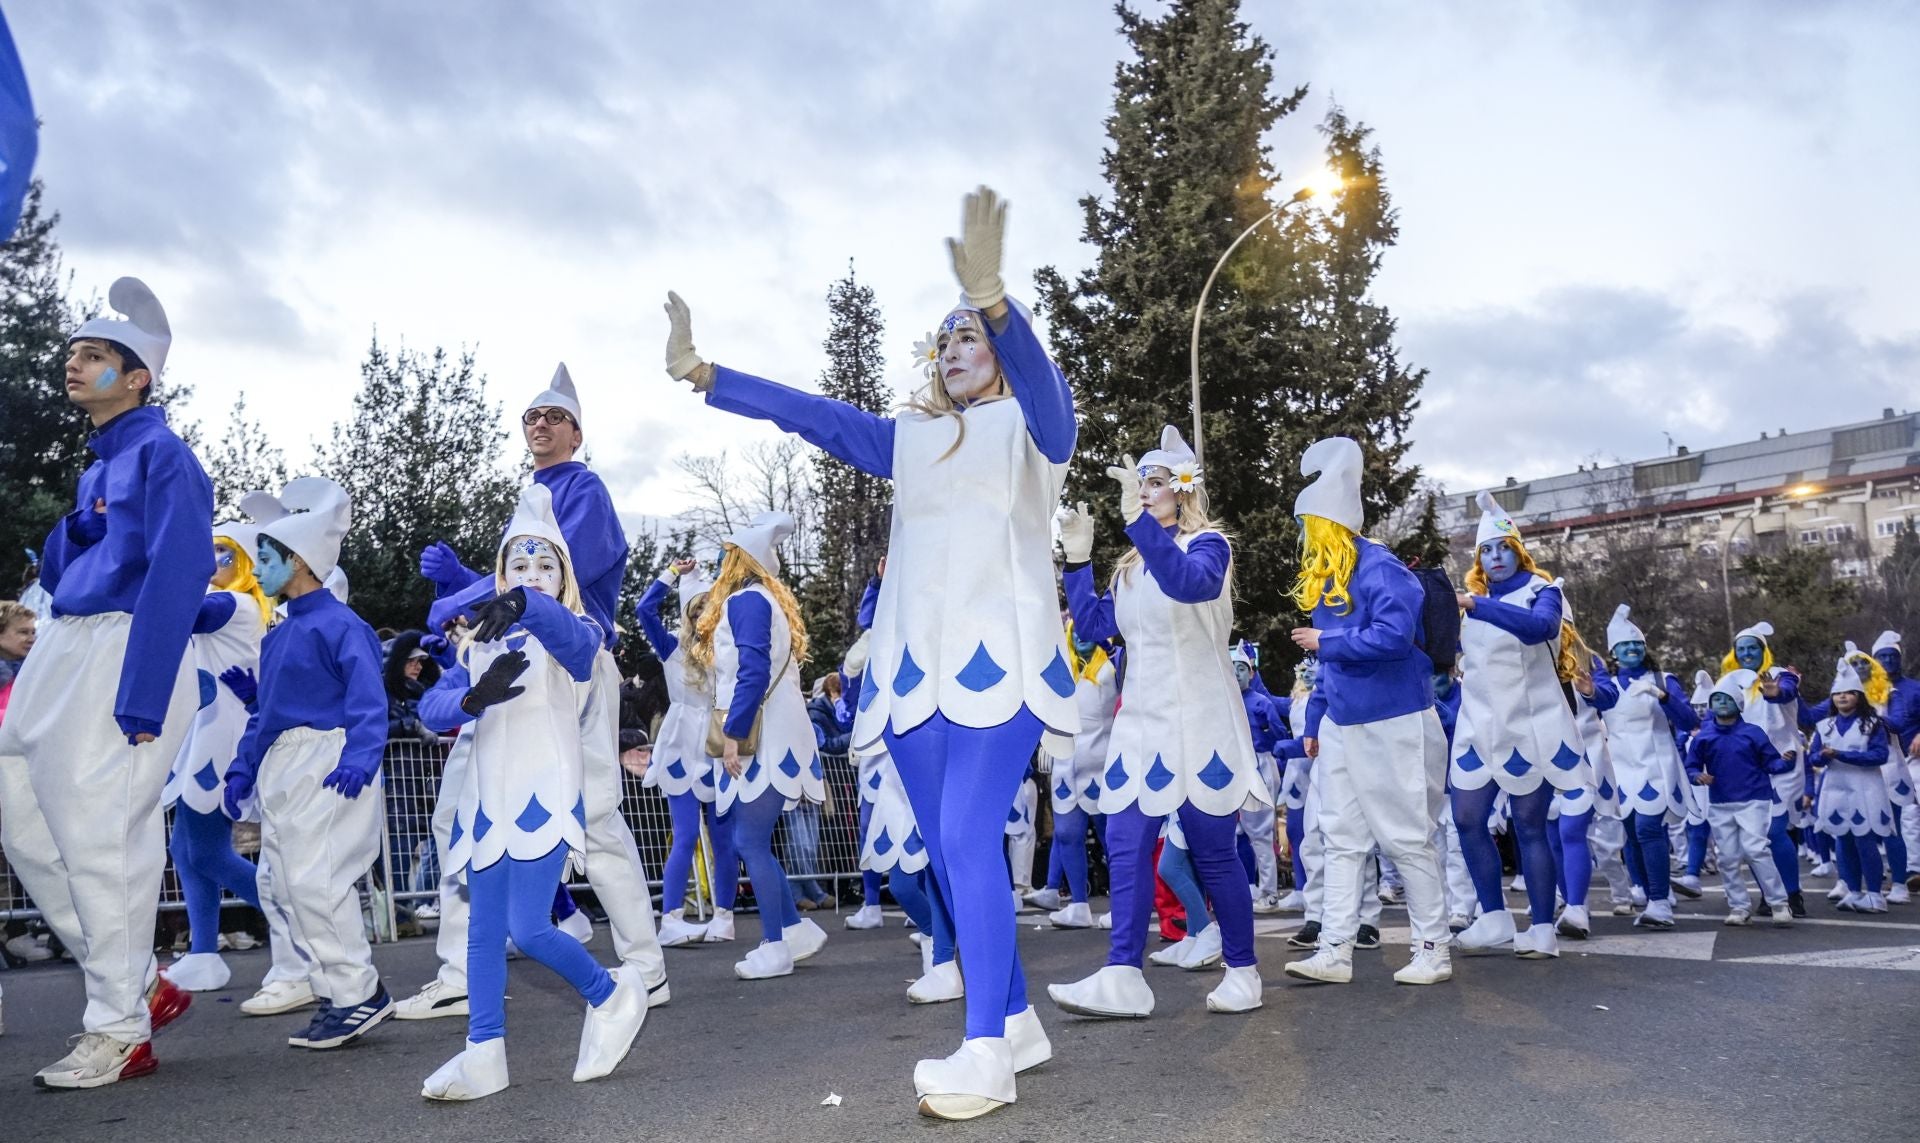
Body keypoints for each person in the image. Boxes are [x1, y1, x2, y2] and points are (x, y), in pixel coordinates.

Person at [663, 186, 1073, 1118]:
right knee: (944, 845)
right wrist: (708, 373)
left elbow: (1054, 405)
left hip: (1001, 666)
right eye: (947, 337)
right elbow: (809, 412)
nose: (956, 347)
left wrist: (998, 298)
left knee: (968, 839)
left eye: (972, 334)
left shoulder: (1030, 431)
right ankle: (1014, 1019)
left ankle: (983, 1054)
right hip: (913, 678)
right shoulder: (908, 440)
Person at [401, 363, 670, 1019]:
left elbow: (550, 585)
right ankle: (467, 968)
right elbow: (513, 589)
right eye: (531, 416)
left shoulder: (586, 491)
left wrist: (462, 592)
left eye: (553, 416)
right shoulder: (534, 498)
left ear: (577, 432)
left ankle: (643, 964)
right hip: (512, 667)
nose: (540, 424)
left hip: (572, 667)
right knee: (462, 809)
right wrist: (464, 582)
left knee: (596, 815)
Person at [0, 279, 209, 1088]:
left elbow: (182, 567)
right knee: (22, 813)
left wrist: (144, 693)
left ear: (138, 376)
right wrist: (71, 528)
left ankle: (118, 1027)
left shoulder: (164, 453)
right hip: (66, 645)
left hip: (124, 650)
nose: (74, 364)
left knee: (101, 840)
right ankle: (136, 984)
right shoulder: (101, 463)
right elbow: (62, 569)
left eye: (94, 355)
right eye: (72, 354)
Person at [416, 485, 648, 1100]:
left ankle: (613, 993)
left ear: (563, 577)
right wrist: (469, 699)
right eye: (519, 566)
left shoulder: (579, 635)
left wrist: (523, 603)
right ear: (499, 573)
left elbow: (570, 640)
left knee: (528, 927)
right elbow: (430, 704)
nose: (532, 575)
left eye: (545, 566)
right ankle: (483, 1052)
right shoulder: (483, 642)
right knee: (483, 933)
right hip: (487, 802)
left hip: (545, 797)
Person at [1049, 425, 1268, 1017]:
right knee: (1124, 842)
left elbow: (1188, 584)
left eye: (1156, 481)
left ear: (1185, 489)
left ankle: (1243, 970)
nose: (1145, 490)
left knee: (1211, 850)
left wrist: (1140, 532)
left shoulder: (1210, 547)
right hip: (1140, 722)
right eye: (1141, 481)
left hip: (1200, 719)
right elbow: (1094, 626)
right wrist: (1076, 559)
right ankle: (1123, 973)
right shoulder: (1130, 567)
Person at [221, 478, 393, 1051]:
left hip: (329, 761)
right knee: (287, 887)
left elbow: (370, 700)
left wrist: (361, 757)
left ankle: (357, 993)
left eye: (266, 557)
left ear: (298, 560)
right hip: (287, 767)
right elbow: (265, 715)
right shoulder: (280, 633)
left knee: (317, 883)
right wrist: (244, 769)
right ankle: (335, 992)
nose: (257, 566)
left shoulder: (344, 625)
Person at [1281, 437, 1451, 987]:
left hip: (1395, 720)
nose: (1302, 535)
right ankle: (1335, 948)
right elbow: (1331, 668)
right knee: (1340, 838)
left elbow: (1395, 637)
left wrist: (1327, 643)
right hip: (1346, 725)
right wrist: (1315, 722)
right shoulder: (1330, 580)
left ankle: (1434, 948)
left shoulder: (1381, 569)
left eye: (1308, 524)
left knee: (1405, 838)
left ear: (1328, 523)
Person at [1446, 492, 1591, 961]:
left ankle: (1543, 927)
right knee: (1467, 819)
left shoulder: (1544, 591)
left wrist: (1475, 604)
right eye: (1486, 551)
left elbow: (1540, 629)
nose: (1493, 559)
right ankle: (1492, 916)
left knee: (1529, 826)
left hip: (1532, 726)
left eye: (1502, 549)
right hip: (1477, 727)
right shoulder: (1471, 602)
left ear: (1518, 551)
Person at [687, 512, 828, 980]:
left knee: (749, 839)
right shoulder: (764, 599)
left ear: (738, 559)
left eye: (727, 553)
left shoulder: (746, 600)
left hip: (763, 736)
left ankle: (775, 945)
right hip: (778, 731)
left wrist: (734, 736)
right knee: (753, 838)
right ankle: (792, 929)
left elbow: (751, 672)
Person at [157, 517, 276, 993]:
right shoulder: (230, 602)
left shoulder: (238, 604)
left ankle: (305, 924)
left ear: (245, 562)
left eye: (223, 554)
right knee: (185, 848)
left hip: (219, 739)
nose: (213, 563)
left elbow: (183, 612)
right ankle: (204, 951)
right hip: (200, 733)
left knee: (205, 850)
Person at [633, 557, 739, 946]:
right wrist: (672, 574)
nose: (700, 616)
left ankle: (724, 916)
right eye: (694, 609)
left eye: (707, 608)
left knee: (724, 837)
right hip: (680, 747)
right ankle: (671, 918)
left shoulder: (726, 651)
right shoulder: (669, 649)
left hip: (715, 745)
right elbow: (643, 609)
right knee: (684, 835)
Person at [1686, 676, 1795, 926]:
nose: (1722, 703)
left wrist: (1785, 761)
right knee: (1727, 856)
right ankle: (1738, 906)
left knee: (1756, 849)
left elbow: (1771, 763)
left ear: (1739, 704)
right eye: (1717, 700)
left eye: (1727, 699)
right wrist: (1697, 776)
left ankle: (1779, 903)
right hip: (1720, 802)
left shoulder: (1752, 733)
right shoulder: (1704, 737)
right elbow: (1691, 765)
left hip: (1754, 800)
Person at [1716, 622, 1808, 914]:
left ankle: (1792, 895)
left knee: (1775, 829)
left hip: (1784, 761)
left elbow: (1787, 691)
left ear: (1763, 650)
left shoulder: (1780, 675)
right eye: (1741, 649)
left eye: (1752, 648)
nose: (1746, 653)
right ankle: (1771, 895)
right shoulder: (1730, 681)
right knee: (1754, 836)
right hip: (1748, 768)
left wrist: (1773, 692)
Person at [1036, 624, 1115, 927]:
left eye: (1088, 630)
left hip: (1102, 764)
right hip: (1066, 765)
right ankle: (1079, 905)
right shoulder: (1063, 673)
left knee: (1112, 840)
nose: (1081, 637)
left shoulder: (1112, 668)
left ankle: (1122, 904)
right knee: (1067, 834)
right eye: (1075, 631)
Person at [1809, 656, 1896, 913]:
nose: (1842, 698)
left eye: (1848, 693)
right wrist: (1821, 757)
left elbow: (1879, 756)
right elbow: (1813, 756)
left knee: (1864, 841)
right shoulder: (1824, 725)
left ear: (1859, 695)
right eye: (1838, 694)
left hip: (1865, 789)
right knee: (1843, 841)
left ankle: (1875, 894)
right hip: (1834, 789)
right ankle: (1854, 891)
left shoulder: (1872, 723)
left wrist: (1840, 754)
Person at [1868, 631, 1920, 893]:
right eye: (1883, 656)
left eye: (1893, 656)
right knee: (1894, 818)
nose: (1888, 660)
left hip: (1914, 760)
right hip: (1881, 763)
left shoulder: (1914, 688)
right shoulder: (1865, 690)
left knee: (1911, 813)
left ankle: (1911, 869)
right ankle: (1906, 869)